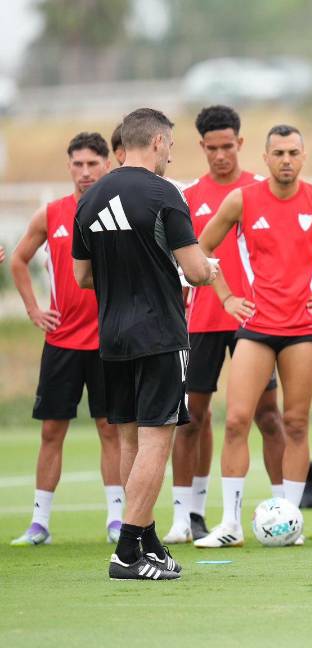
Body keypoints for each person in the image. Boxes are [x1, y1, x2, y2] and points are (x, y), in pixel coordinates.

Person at [194, 125, 312, 548]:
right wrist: (227, 296)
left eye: (293, 152)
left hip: (302, 332)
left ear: (304, 157)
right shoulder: (242, 199)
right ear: (265, 158)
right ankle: (230, 524)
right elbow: (202, 247)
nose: (286, 160)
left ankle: (290, 522)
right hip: (255, 328)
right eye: (278, 153)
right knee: (235, 421)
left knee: (296, 423)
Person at [73, 107, 218, 580]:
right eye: (171, 147)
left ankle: (149, 541)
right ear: (157, 141)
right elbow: (195, 271)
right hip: (159, 334)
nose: (171, 157)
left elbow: (82, 276)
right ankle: (128, 551)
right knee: (158, 439)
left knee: (129, 439)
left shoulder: (90, 197)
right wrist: (209, 270)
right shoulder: (164, 194)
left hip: (112, 335)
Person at [165, 105, 285, 545]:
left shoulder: (260, 189)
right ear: (202, 147)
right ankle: (187, 515)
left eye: (227, 146)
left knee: (267, 416)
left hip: (255, 321)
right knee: (190, 417)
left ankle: (283, 510)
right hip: (201, 321)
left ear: (240, 143)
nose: (220, 155)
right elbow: (182, 261)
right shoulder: (189, 196)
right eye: (212, 148)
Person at [9, 132, 122, 546]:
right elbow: (19, 260)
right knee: (52, 431)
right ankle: (39, 523)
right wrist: (34, 309)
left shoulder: (117, 213)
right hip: (61, 342)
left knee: (111, 429)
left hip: (109, 342)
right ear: (69, 166)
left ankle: (116, 520)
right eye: (78, 164)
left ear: (107, 165)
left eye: (93, 163)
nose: (86, 172)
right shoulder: (51, 214)